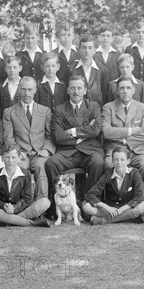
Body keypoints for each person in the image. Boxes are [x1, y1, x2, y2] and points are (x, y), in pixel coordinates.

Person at [45, 74, 105, 209]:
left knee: (98, 162)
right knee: (51, 163)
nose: (76, 92)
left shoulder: (93, 106)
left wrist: (72, 132)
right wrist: (85, 132)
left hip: (90, 150)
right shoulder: (59, 109)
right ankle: (58, 204)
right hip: (67, 152)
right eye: (72, 88)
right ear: (67, 90)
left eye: (79, 88)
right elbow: (58, 136)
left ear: (85, 90)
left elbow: (95, 130)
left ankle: (89, 202)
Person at [3, 76, 55, 199]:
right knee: (17, 167)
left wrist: (46, 149)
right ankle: (19, 203)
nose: (27, 93)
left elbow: (50, 135)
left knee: (41, 166)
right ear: (19, 90)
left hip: (39, 153)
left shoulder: (45, 111)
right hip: (21, 153)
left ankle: (41, 204)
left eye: (30, 89)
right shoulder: (9, 112)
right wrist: (16, 152)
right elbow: (8, 137)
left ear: (35, 90)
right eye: (23, 89)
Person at [102, 76, 144, 194]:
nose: (125, 91)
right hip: (115, 150)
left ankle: (142, 198)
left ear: (133, 90)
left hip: (138, 151)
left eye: (128, 88)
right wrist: (130, 131)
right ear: (116, 90)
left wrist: (124, 140)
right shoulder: (108, 108)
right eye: (122, 88)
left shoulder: (143, 108)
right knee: (110, 164)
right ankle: (115, 199)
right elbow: (106, 132)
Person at [0, 143, 52, 227]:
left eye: (13, 157)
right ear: (1, 158)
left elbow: (27, 198)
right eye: (7, 157)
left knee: (46, 202)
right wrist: (4, 206)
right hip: (5, 210)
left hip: (22, 209)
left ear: (19, 158)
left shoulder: (26, 174)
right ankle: (30, 223)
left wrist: (14, 208)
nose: (10, 161)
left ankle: (4, 221)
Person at [83, 147, 144, 225]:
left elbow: (141, 195)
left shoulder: (134, 173)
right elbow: (90, 194)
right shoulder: (108, 174)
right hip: (110, 208)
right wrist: (107, 208)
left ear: (128, 161)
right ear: (112, 161)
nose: (119, 163)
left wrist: (121, 210)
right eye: (116, 159)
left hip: (127, 207)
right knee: (86, 206)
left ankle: (104, 220)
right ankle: (130, 217)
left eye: (122, 159)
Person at [70, 34, 109, 107]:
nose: (87, 51)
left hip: (97, 111)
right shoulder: (71, 69)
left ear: (95, 50)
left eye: (90, 48)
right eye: (84, 48)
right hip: (76, 111)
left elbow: (105, 93)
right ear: (79, 50)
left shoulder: (102, 70)